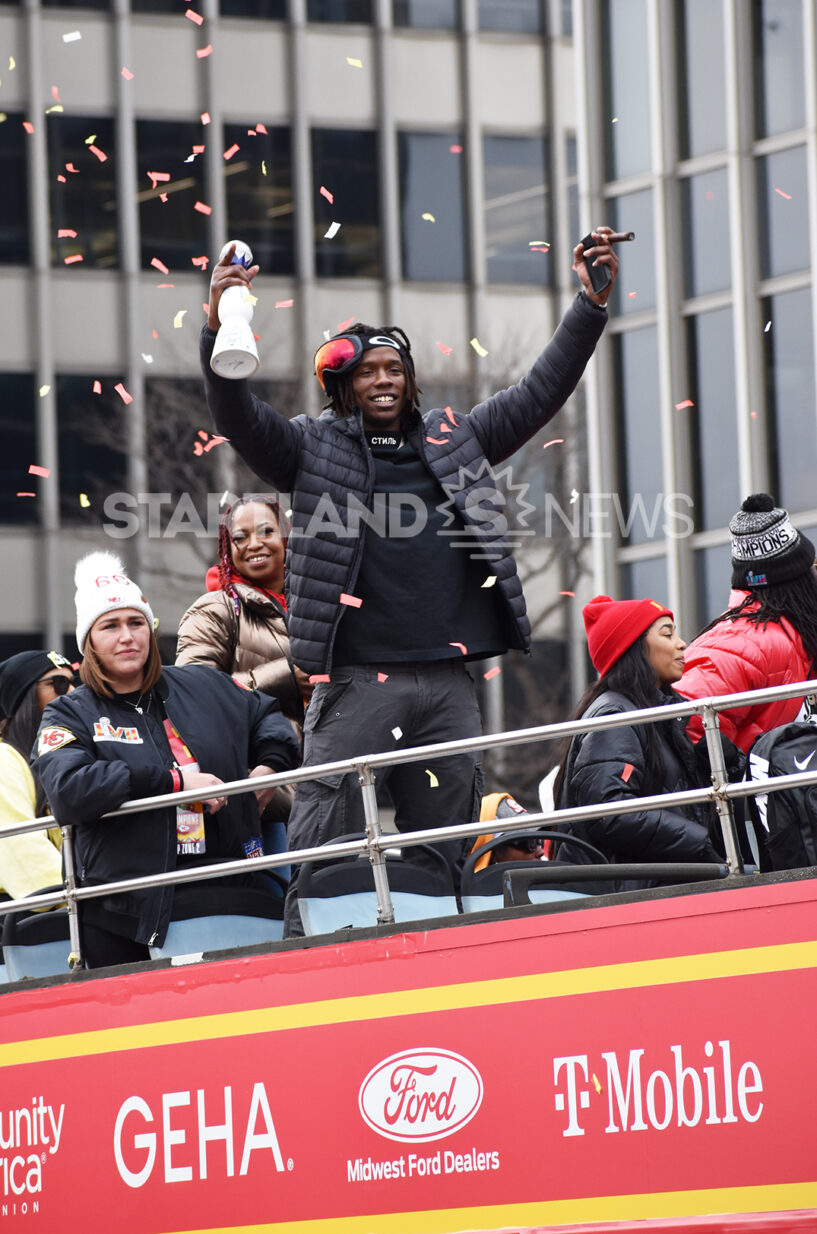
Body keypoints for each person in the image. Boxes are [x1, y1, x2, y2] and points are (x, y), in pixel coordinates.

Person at [200, 229, 620, 934]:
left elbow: (540, 391)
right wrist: (218, 327)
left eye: (394, 368)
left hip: (447, 682)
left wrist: (588, 305)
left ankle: (442, 957)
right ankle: (307, 955)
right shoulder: (310, 447)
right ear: (343, 385)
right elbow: (234, 415)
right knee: (323, 839)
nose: (384, 380)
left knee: (444, 845)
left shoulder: (456, 436)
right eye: (366, 372)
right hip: (359, 680)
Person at [35, 551, 300, 969]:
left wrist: (268, 769)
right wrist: (173, 783)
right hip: (124, 913)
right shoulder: (69, 712)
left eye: (136, 622)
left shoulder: (205, 684)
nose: (127, 636)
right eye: (110, 626)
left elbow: (268, 716)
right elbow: (70, 790)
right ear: (89, 641)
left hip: (233, 888)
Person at [553, 595, 719, 889]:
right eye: (667, 634)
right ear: (633, 649)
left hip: (650, 882)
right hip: (624, 893)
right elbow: (609, 813)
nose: (681, 644)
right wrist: (697, 840)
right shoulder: (615, 714)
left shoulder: (657, 712)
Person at [176, 495, 309, 850]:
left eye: (266, 531)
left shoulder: (316, 604)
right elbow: (192, 695)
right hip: (262, 790)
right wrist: (285, 677)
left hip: (324, 779)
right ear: (227, 546)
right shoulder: (213, 610)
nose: (254, 544)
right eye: (240, 537)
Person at [677, 493, 817, 754]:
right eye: (813, 566)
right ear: (797, 580)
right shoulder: (739, 643)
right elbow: (688, 732)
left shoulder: (795, 637)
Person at [0, 650, 74, 898]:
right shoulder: (4, 760)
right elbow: (21, 852)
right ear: (27, 697)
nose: (73, 692)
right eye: (59, 684)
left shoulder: (57, 757)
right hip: (29, 915)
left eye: (75, 682)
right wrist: (85, 898)